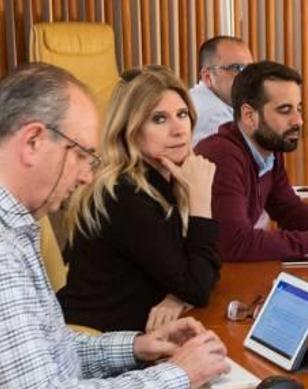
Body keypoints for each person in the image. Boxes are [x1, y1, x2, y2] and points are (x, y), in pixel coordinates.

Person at [0, 63, 228, 389]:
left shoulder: (16, 225)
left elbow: (50, 350)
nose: (87, 174)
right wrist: (176, 376)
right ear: (32, 141)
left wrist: (135, 348)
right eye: (82, 154)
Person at [59, 66, 221, 333]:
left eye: (182, 115)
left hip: (136, 333)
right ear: (130, 130)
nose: (178, 130)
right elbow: (198, 287)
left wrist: (177, 295)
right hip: (95, 343)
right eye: (159, 119)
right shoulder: (123, 195)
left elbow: (208, 263)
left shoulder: (166, 180)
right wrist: (201, 202)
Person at [196, 61, 308, 261]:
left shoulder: (269, 146)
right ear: (249, 116)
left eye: (298, 109)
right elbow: (235, 243)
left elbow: (287, 208)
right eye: (285, 110)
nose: (298, 121)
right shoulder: (222, 155)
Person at [189, 36, 254, 146]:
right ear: (208, 76)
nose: (247, 76)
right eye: (236, 68)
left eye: (250, 69)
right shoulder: (214, 115)